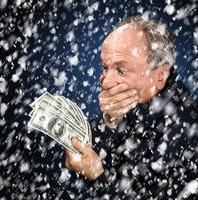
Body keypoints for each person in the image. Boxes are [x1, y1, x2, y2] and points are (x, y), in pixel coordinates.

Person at [63, 16, 198, 199]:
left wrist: (98, 176)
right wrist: (110, 122)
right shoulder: (138, 105)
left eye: (121, 70)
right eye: (105, 67)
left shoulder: (187, 132)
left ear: (160, 76)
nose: (106, 82)